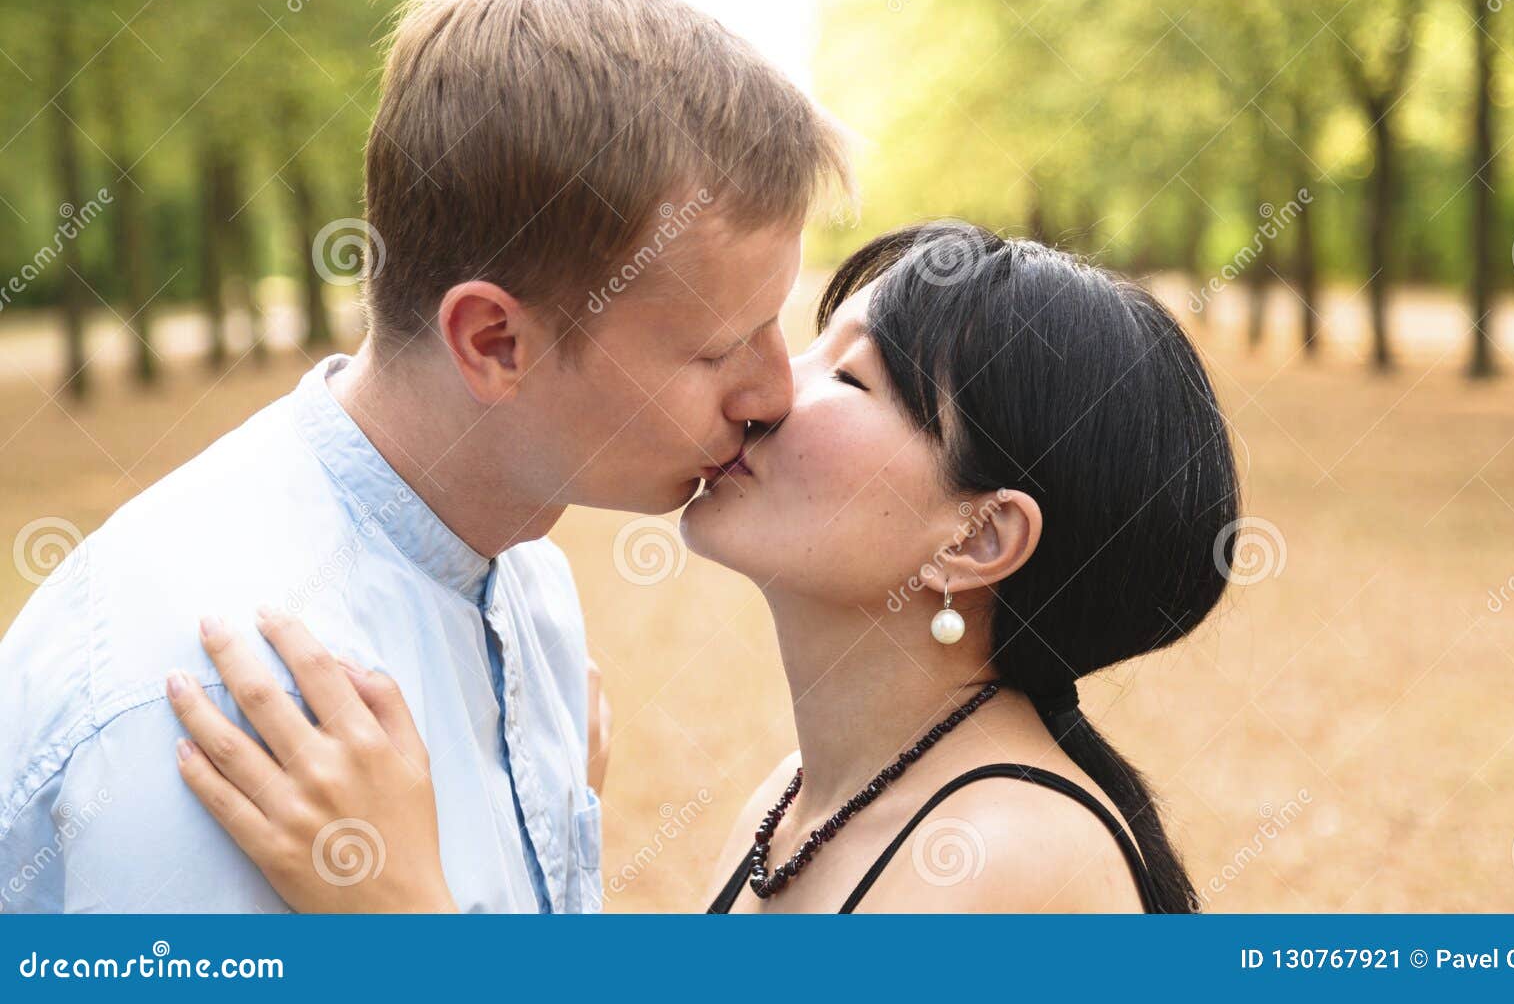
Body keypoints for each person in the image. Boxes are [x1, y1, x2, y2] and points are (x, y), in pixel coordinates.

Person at [0, 0, 850, 913]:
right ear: (493, 341)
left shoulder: (529, 594)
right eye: (718, 349)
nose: (773, 392)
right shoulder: (228, 715)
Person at [163, 221, 1241, 913]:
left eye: (850, 378)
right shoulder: (794, 800)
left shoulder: (1010, 859)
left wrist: (397, 917)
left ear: (973, 538)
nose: (769, 387)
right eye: (803, 343)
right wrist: (541, 830)